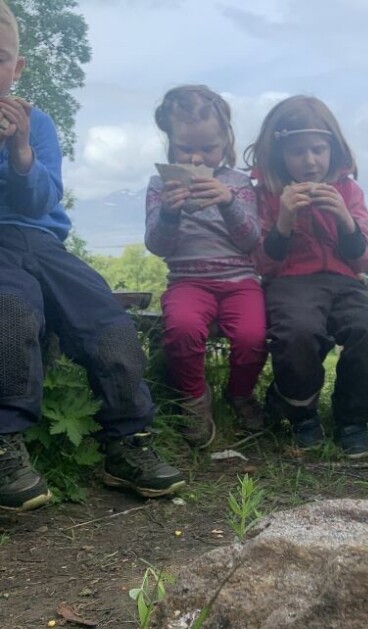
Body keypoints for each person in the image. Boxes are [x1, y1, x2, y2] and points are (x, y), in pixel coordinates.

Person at [0, 1, 182, 511]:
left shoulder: (37, 125)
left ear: (16, 69)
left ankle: (128, 442)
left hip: (43, 242)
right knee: (11, 315)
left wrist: (21, 156)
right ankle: (4, 445)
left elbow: (41, 199)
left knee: (105, 319)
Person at [245, 95, 368, 458]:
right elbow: (263, 265)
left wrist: (345, 219)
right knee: (296, 330)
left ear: (333, 148)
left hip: (346, 282)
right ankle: (301, 411)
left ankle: (353, 419)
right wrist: (283, 220)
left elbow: (364, 261)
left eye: (318, 149)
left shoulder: (349, 190)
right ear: (280, 152)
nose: (310, 160)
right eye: (298, 152)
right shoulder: (267, 195)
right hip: (290, 282)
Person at [146, 85, 266, 447]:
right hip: (187, 281)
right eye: (185, 149)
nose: (197, 159)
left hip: (240, 280)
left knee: (252, 337)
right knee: (181, 329)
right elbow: (157, 245)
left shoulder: (240, 184)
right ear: (170, 144)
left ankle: (240, 393)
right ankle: (193, 398)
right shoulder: (159, 185)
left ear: (225, 143)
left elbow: (250, 240)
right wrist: (169, 211)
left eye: (208, 149)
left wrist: (229, 203)